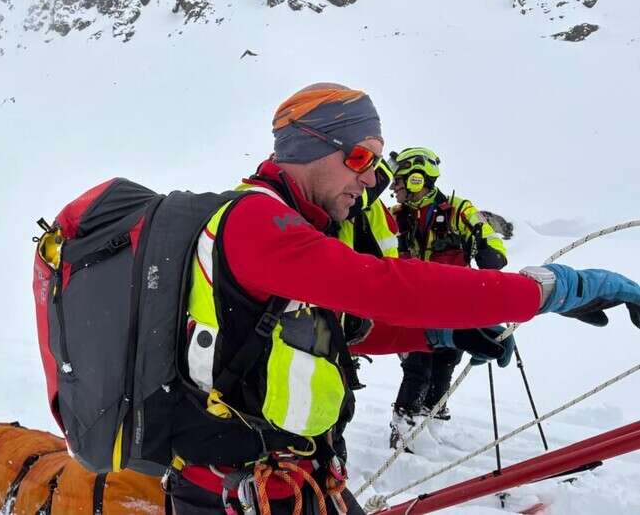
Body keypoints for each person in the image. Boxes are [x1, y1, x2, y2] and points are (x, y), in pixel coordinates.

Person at [166, 83, 640, 515]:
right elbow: (386, 286)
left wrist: (440, 332)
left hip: (296, 481)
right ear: (311, 145)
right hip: (236, 496)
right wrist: (548, 291)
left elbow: (343, 329)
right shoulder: (257, 221)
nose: (372, 179)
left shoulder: (297, 223)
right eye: (361, 158)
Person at [387, 147, 508, 450]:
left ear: (418, 179)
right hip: (412, 307)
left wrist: (487, 248)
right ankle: (405, 420)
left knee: (446, 362)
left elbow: (493, 246)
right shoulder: (393, 217)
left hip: (453, 306)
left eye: (399, 181)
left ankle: (433, 413)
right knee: (418, 361)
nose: (394, 188)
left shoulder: (458, 210)